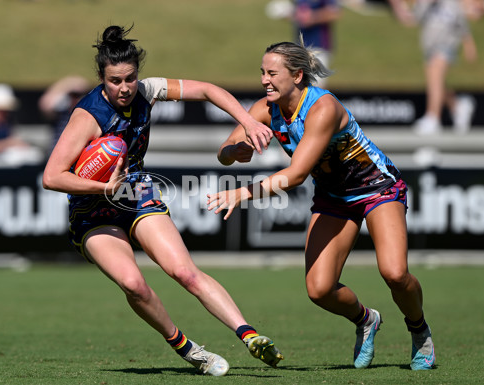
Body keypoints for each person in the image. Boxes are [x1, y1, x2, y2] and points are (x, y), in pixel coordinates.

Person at [42, 25, 283, 376]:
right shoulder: (87, 116)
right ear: (101, 78)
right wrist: (103, 189)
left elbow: (207, 90)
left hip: (136, 192)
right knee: (133, 284)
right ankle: (189, 350)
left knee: (184, 272)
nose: (124, 88)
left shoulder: (148, 89)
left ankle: (249, 335)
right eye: (115, 81)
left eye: (130, 78)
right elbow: (52, 177)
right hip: (92, 208)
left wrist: (246, 120)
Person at [206, 38, 436, 370]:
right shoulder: (264, 109)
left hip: (376, 188)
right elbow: (226, 149)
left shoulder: (323, 108)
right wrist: (232, 151)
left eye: (272, 73)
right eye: (262, 73)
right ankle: (366, 319)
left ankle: (419, 330)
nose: (264, 80)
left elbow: (297, 174)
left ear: (297, 75)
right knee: (319, 289)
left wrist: (242, 193)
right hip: (333, 197)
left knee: (395, 273)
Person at [389, 0, 482, 135]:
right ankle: (458, 106)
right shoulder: (425, 3)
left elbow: (461, 22)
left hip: (446, 44)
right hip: (430, 46)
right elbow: (415, 18)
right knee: (436, 82)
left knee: (435, 75)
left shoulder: (451, 3)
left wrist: (469, 45)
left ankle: (433, 117)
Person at [38, 75, 92, 155]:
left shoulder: (89, 113)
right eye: (73, 95)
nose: (75, 98)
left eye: (79, 95)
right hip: (56, 154)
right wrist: (67, 86)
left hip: (77, 156)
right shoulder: (62, 112)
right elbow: (45, 104)